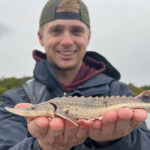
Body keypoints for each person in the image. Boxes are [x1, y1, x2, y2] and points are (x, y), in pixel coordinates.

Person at [0, 0, 150, 149]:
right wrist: (41, 147)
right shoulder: (14, 99)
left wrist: (117, 141)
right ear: (40, 37)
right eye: (56, 30)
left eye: (76, 31)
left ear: (88, 37)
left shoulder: (119, 91)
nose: (67, 41)